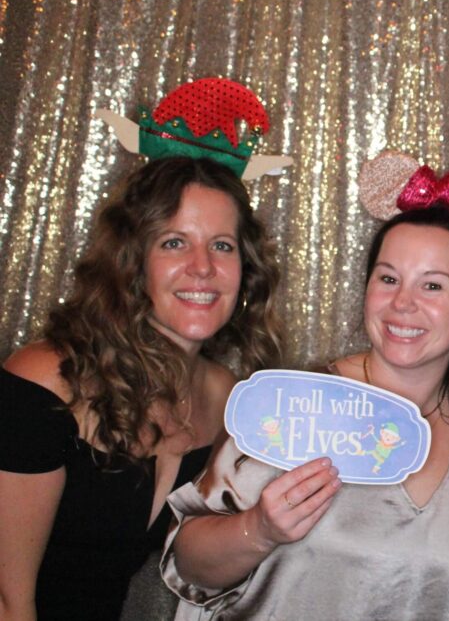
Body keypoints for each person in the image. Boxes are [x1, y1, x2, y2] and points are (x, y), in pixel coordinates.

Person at [162, 205, 449, 620]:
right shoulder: (297, 404)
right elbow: (188, 564)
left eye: (433, 286)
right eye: (388, 279)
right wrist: (261, 529)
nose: (403, 303)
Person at [0, 157, 282, 621]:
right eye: (174, 242)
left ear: (244, 270)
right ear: (133, 263)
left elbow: (204, 563)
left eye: (222, 246)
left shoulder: (231, 399)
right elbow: (10, 600)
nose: (203, 267)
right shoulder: (47, 381)